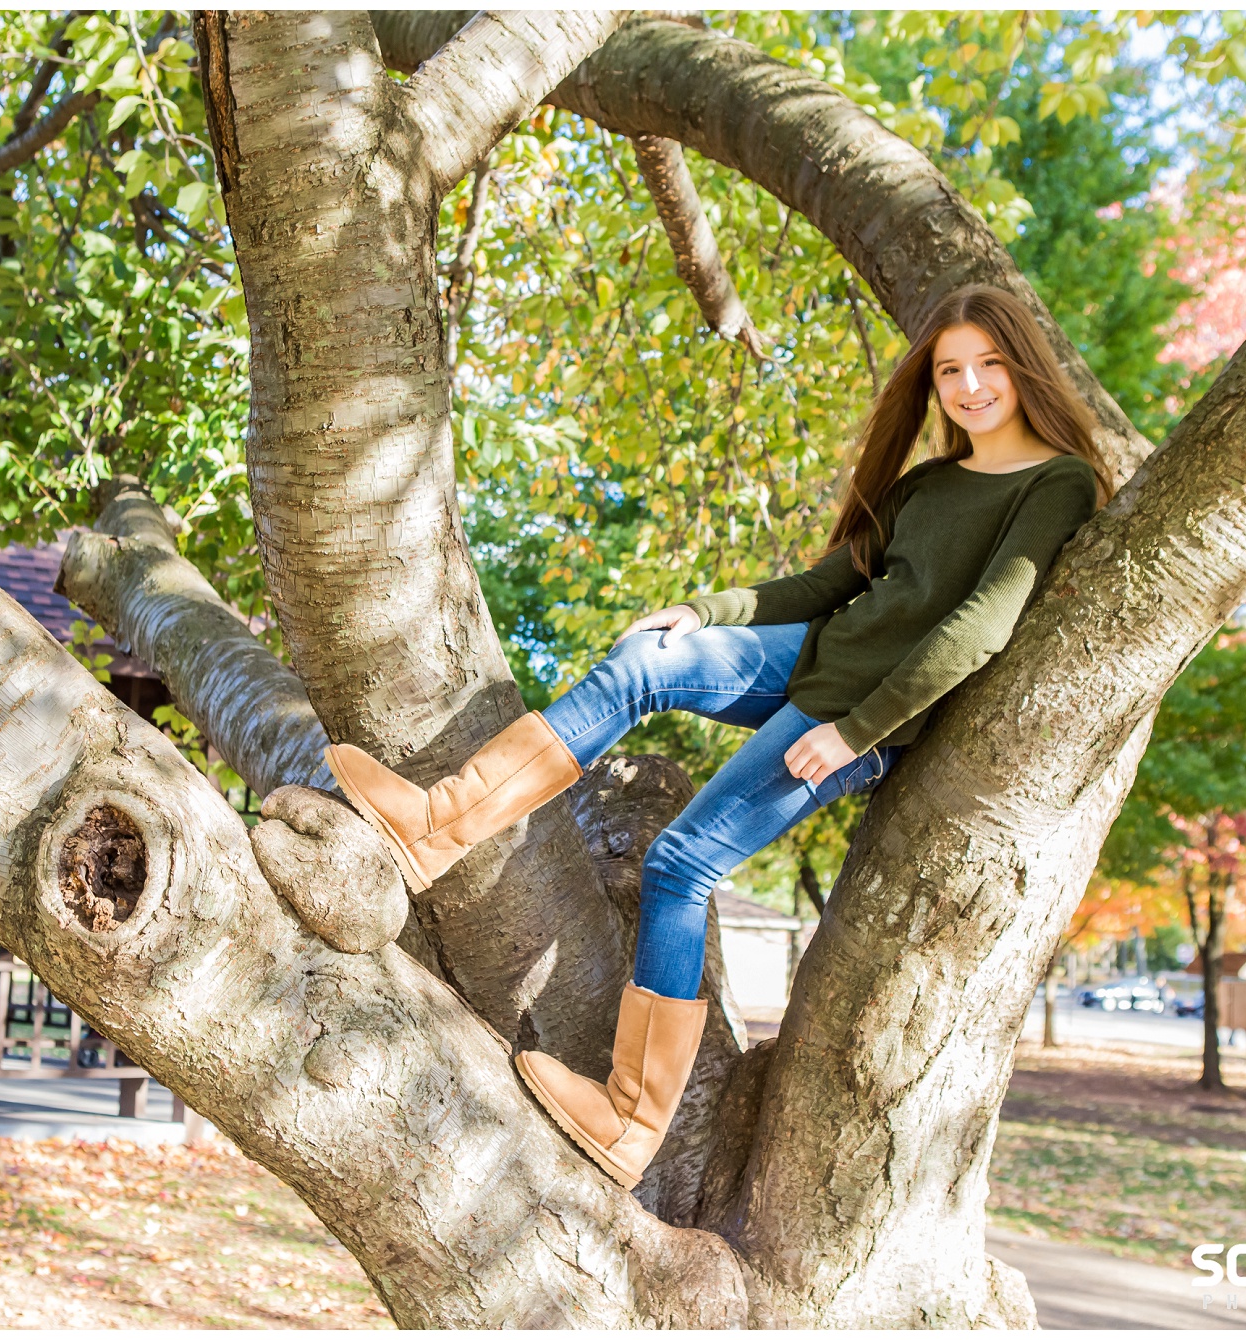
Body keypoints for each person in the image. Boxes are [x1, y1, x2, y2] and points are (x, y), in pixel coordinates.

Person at [325, 285, 1110, 1188]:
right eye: (951, 370)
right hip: (813, 654)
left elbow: (980, 629)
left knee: (680, 863)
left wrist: (855, 734)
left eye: (990, 365)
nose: (970, 386)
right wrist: (704, 611)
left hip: (857, 714)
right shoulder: (926, 486)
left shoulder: (1057, 483)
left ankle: (630, 1121)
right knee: (643, 663)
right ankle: (437, 825)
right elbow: (824, 587)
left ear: (1023, 366)